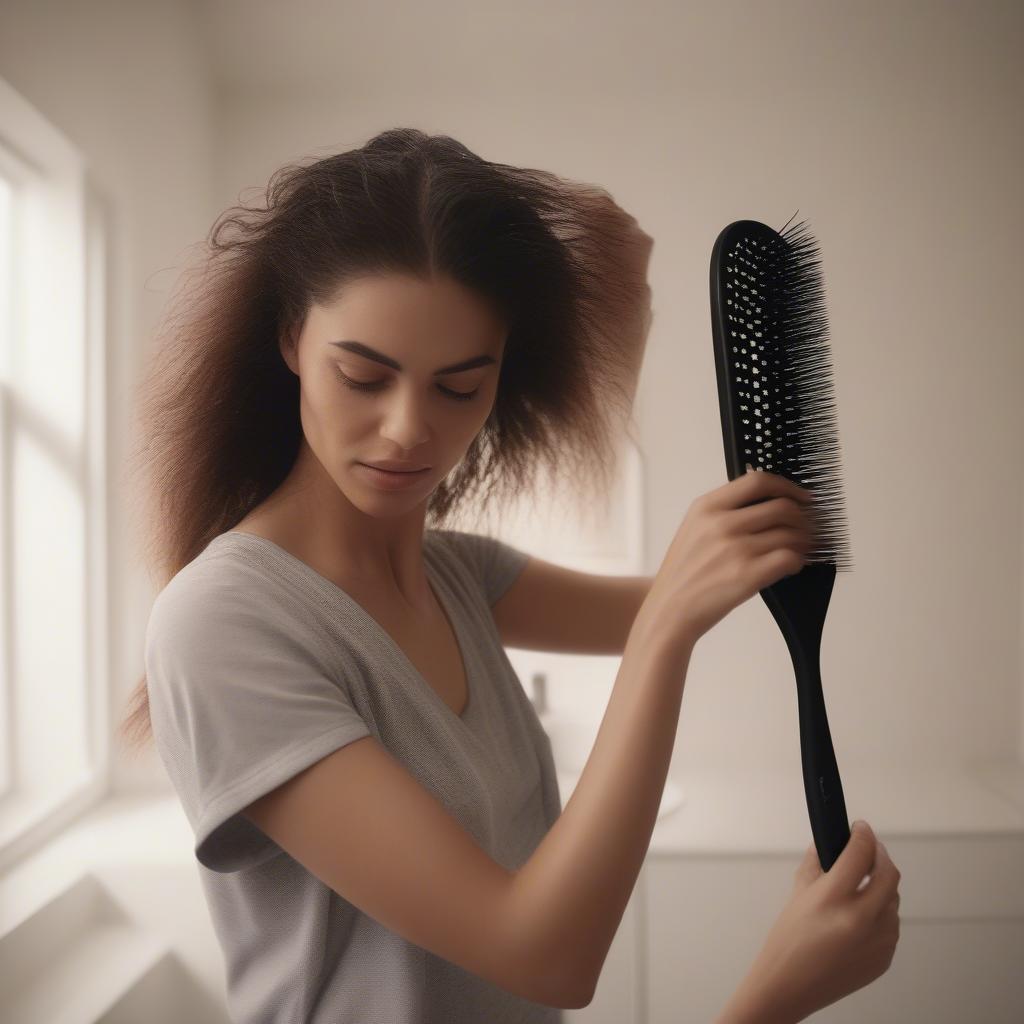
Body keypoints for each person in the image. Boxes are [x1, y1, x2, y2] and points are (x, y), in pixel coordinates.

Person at [119, 128, 900, 1024]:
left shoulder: (457, 577)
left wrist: (767, 519)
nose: (410, 429)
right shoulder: (224, 625)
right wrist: (777, 994)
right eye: (364, 376)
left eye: (460, 387)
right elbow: (548, 958)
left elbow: (687, 598)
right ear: (293, 339)